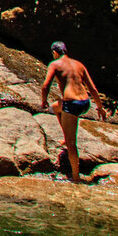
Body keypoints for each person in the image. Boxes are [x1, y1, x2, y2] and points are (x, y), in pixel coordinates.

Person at [40, 41, 107, 181]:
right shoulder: (78, 64)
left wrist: (43, 100)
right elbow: (93, 88)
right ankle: (66, 137)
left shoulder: (55, 64)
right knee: (56, 107)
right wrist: (100, 108)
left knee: (72, 144)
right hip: (85, 103)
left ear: (55, 53)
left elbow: (45, 86)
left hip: (72, 104)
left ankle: (76, 178)